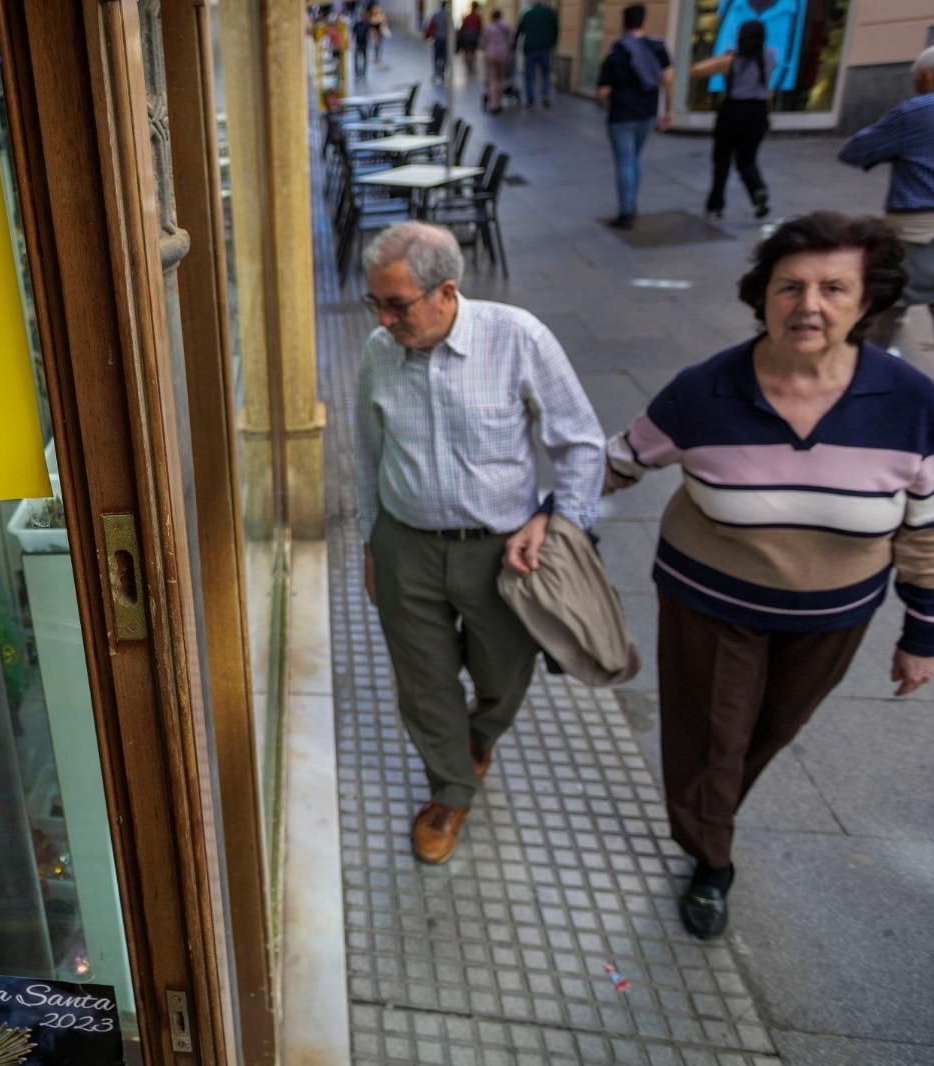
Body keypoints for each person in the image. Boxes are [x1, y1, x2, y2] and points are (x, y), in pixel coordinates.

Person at [605, 212, 934, 939]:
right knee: (711, 737)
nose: (810, 305)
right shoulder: (704, 392)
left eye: (834, 287)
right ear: (762, 296)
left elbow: (927, 525)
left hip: (833, 616)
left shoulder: (910, 403)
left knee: (769, 730)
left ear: (869, 301)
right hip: (712, 602)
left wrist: (924, 632)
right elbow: (620, 459)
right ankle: (711, 859)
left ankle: (713, 811)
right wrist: (541, 508)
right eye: (790, 286)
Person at [355, 222, 604, 866]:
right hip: (405, 544)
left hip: (501, 550)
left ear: (445, 291)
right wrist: (370, 544)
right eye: (375, 303)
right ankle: (451, 786)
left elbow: (580, 442)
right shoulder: (379, 352)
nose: (384, 320)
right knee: (423, 682)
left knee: (503, 674)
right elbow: (366, 455)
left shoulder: (517, 337)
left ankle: (480, 735)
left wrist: (561, 525)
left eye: (397, 304)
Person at [840, 41, 934, 443]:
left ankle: (860, 394)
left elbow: (856, 150)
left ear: (929, 77)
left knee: (880, 309)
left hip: (921, 232)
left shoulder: (917, 111)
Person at [596, 3, 673, 230]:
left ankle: (626, 211)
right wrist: (668, 110)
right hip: (647, 112)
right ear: (643, 22)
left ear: (623, 23)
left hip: (621, 115)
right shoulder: (657, 47)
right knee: (635, 158)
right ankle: (632, 203)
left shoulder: (616, 52)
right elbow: (668, 80)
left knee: (625, 162)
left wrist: (601, 101)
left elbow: (603, 91)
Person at [692, 18, 775, 220]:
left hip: (733, 112)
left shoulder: (731, 61)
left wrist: (723, 56)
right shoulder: (770, 56)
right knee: (747, 160)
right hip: (758, 112)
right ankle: (757, 191)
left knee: (722, 160)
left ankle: (716, 205)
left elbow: (697, 70)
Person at [515, 0, 559, 109]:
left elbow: (520, 31)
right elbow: (556, 29)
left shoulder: (528, 14)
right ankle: (544, 95)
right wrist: (553, 43)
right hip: (545, 47)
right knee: (545, 73)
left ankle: (530, 100)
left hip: (530, 48)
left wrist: (515, 44)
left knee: (529, 75)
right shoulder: (549, 13)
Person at [481, 10, 513, 113]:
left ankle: (493, 104)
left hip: (491, 55)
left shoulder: (488, 28)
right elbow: (510, 41)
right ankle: (499, 102)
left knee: (492, 79)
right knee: (500, 79)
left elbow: (483, 42)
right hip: (503, 55)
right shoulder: (506, 26)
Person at [425, 2, 450, 82]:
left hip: (437, 38)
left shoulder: (436, 15)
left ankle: (436, 72)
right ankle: (442, 72)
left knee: (436, 56)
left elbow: (430, 25)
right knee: (444, 56)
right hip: (445, 38)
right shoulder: (448, 16)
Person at [457, 3, 483, 76]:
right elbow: (480, 28)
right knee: (473, 51)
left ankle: (469, 65)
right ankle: (471, 65)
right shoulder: (478, 17)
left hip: (467, 35)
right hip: (474, 35)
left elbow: (463, 27)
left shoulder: (467, 17)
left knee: (467, 51)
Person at [352, 7, 373, 78]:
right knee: (356, 58)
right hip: (358, 43)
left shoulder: (366, 24)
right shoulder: (357, 24)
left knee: (364, 58)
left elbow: (369, 33)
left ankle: (363, 72)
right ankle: (357, 71)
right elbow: (353, 33)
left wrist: (370, 40)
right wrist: (352, 43)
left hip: (364, 43)